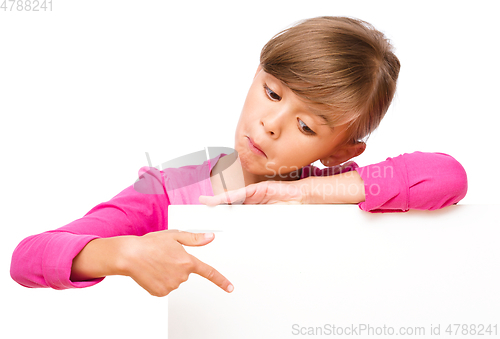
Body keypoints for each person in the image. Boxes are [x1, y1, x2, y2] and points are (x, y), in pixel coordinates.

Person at [10, 16, 467, 297]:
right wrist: (124, 253)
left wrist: (302, 194)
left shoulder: (341, 187)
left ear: (340, 152)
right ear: (256, 74)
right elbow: (27, 258)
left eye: (307, 126)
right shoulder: (169, 190)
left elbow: (445, 176)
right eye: (272, 92)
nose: (271, 123)